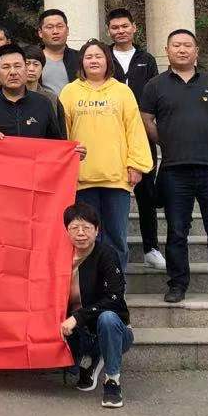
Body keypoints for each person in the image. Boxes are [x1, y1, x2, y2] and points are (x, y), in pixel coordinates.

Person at [140, 29, 208, 305]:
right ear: (167, 50)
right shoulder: (155, 85)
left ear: (196, 51)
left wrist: (205, 138)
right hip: (174, 170)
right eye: (176, 45)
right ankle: (177, 284)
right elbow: (147, 119)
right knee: (177, 231)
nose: (182, 49)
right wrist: (167, 141)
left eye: (187, 45)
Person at [59, 40, 153, 276]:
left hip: (116, 178)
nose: (94, 61)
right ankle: (88, 286)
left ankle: (115, 286)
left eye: (98, 56)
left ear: (107, 61)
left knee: (116, 237)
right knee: (85, 237)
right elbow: (62, 133)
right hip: (81, 179)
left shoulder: (122, 91)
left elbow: (134, 129)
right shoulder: (70, 92)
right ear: (81, 62)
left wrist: (136, 164)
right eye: (88, 57)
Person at [106, 8, 166, 273]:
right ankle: (107, 250)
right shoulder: (104, 56)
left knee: (146, 192)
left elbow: (155, 94)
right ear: (109, 30)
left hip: (141, 133)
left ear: (133, 28)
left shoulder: (146, 59)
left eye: (124, 26)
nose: (120, 31)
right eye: (115, 27)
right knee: (110, 191)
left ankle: (151, 248)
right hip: (110, 135)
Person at [61, 202, 133, 409]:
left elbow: (114, 298)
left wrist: (77, 317)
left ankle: (112, 382)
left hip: (113, 330)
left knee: (107, 318)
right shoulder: (59, 256)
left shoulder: (106, 254)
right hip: (78, 331)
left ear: (97, 230)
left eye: (87, 228)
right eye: (74, 228)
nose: (81, 233)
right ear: (66, 231)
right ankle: (89, 359)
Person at [0, 44, 65, 140]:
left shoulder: (44, 103)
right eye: (6, 67)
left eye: (17, 66)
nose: (13, 72)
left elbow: (57, 144)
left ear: (26, 70)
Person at [36, 9, 81, 95]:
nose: (55, 31)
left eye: (60, 26)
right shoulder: (31, 59)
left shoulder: (80, 58)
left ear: (67, 30)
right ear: (40, 32)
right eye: (49, 27)